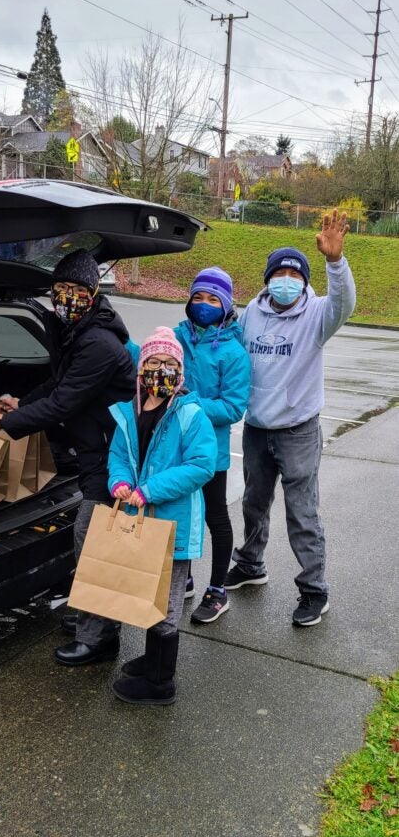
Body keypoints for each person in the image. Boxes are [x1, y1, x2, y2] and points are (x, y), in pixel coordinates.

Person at [0, 248, 136, 662]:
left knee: (93, 542)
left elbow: (64, 402)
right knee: (91, 540)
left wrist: (6, 425)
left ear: (93, 291)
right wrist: (20, 402)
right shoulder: (80, 332)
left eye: (76, 288)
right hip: (94, 452)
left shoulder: (97, 342)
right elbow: (54, 387)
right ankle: (90, 615)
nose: (66, 296)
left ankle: (99, 638)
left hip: (112, 457)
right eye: (60, 288)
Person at [224, 209, 356, 627]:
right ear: (268, 280)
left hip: (298, 430)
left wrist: (335, 263)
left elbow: (345, 302)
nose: (287, 280)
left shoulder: (318, 314)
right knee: (253, 504)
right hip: (257, 429)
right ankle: (250, 564)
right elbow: (229, 353)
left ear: (303, 281)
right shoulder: (252, 314)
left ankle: (314, 590)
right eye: (279, 273)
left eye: (294, 274)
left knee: (302, 513)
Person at [108, 326, 217, 705]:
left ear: (180, 371)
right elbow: (119, 455)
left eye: (169, 363)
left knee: (167, 600)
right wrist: (119, 481)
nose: (160, 369)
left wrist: (150, 490)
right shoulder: (130, 410)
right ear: (141, 369)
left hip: (174, 524)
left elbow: (202, 465)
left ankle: (160, 682)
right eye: (153, 362)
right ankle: (152, 658)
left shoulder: (190, 414)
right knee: (147, 592)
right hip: (142, 519)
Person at [173, 267, 251, 623]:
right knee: (176, 515)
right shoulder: (176, 337)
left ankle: (218, 589)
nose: (204, 305)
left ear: (227, 305)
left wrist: (191, 402)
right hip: (172, 446)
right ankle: (182, 578)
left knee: (214, 516)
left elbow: (234, 407)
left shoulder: (233, 353)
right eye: (198, 297)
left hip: (209, 451)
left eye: (213, 299)